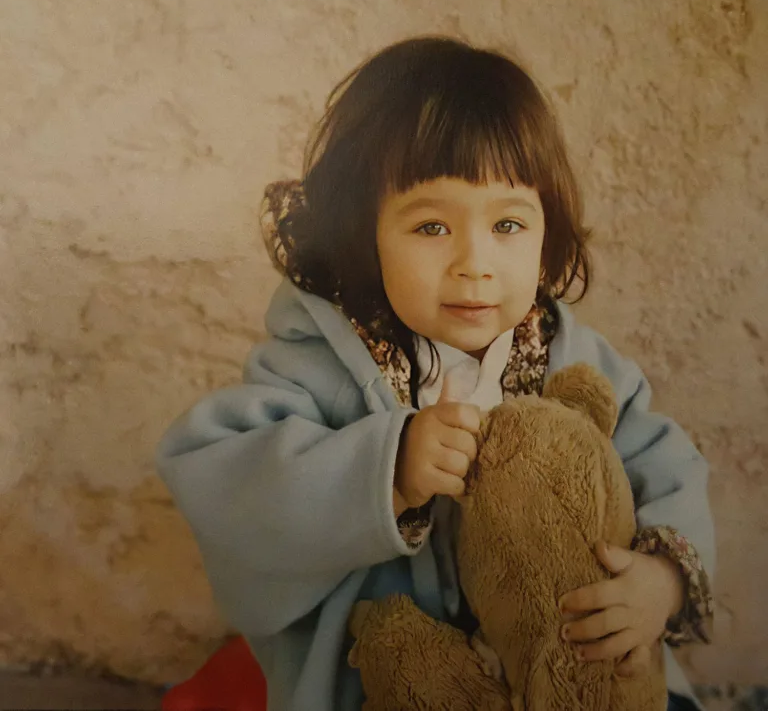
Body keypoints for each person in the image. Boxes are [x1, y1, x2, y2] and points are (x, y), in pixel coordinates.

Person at [156, 36, 715, 711]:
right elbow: (229, 485)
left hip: (555, 671)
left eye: (508, 223)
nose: (474, 263)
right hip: (391, 677)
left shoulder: (573, 359)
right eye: (431, 228)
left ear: (547, 234)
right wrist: (386, 472)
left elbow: (667, 468)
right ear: (362, 233)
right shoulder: (319, 360)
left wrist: (661, 581)